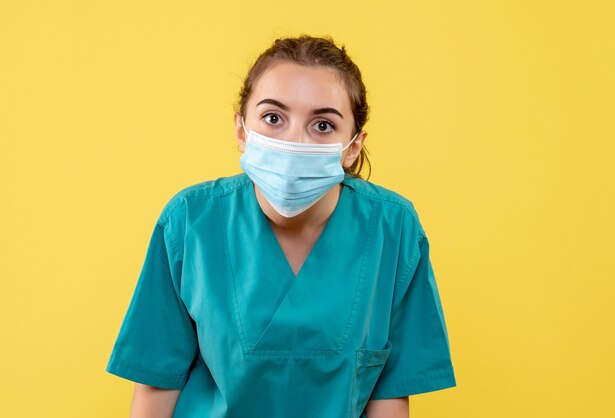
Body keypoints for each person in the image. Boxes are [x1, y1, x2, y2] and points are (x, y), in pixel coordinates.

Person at [105, 34, 457, 418]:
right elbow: (157, 384)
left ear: (352, 146)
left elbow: (390, 394)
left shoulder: (393, 229)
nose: (294, 142)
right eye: (273, 118)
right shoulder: (190, 221)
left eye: (322, 125)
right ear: (242, 130)